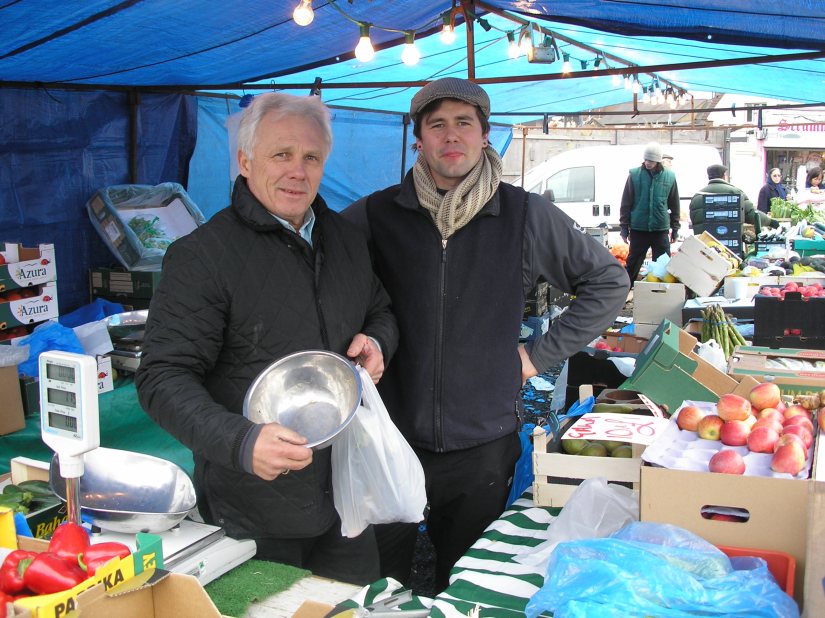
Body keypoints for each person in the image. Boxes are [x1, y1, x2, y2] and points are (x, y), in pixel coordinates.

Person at [342, 77, 629, 593]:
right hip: (391, 436)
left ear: (484, 135)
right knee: (379, 581)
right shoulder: (376, 214)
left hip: (482, 440)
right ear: (419, 140)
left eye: (464, 124)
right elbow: (326, 277)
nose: (451, 136)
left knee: (469, 580)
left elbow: (608, 281)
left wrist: (536, 357)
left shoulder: (523, 214)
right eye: (437, 125)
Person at [135, 93, 399, 585]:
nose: (297, 171)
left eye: (311, 157)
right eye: (282, 154)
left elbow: (379, 309)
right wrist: (240, 441)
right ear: (245, 160)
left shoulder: (345, 239)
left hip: (346, 493)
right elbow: (161, 377)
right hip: (253, 507)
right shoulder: (204, 256)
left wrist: (377, 342)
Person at [619, 142, 679, 287]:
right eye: (646, 160)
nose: (647, 163)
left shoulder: (670, 177)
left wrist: (675, 228)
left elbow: (674, 203)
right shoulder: (634, 175)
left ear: (658, 160)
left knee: (663, 267)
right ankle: (623, 293)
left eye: (651, 161)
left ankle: (662, 297)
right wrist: (624, 227)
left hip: (660, 229)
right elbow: (626, 202)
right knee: (632, 264)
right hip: (639, 228)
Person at [690, 164, 779, 236]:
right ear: (724, 176)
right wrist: (771, 222)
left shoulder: (697, 196)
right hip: (730, 244)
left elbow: (694, 220)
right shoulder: (735, 192)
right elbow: (751, 214)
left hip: (703, 244)